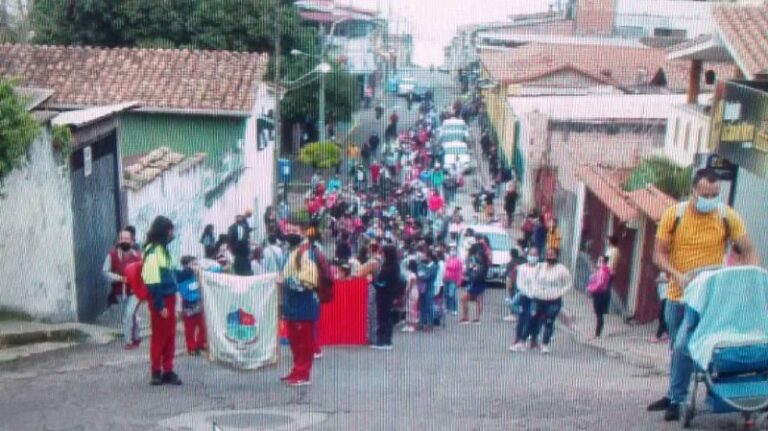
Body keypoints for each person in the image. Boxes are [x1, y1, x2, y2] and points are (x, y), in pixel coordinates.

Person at [647, 168, 758, 421]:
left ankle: (679, 400)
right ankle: (674, 394)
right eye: (705, 194)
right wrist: (676, 274)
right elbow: (658, 254)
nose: (710, 199)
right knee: (677, 347)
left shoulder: (726, 216)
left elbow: (748, 249)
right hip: (678, 294)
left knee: (689, 345)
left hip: (709, 298)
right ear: (693, 191)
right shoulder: (674, 215)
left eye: (715, 194)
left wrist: (752, 277)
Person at [278, 228, 328, 387]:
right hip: (292, 305)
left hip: (304, 305)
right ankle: (297, 370)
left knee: (304, 342)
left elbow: (309, 281)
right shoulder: (291, 252)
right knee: (294, 341)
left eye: (293, 231)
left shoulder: (306, 253)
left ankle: (303, 374)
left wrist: (286, 282)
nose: (288, 235)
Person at [141, 216, 182, 386]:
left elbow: (173, 274)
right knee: (159, 337)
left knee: (170, 336)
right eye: (170, 230)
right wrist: (160, 304)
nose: (172, 234)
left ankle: (168, 369)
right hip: (161, 298)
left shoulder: (163, 250)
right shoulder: (153, 251)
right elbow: (152, 280)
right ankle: (156, 371)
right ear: (163, 231)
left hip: (169, 297)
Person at [102, 230, 143, 349]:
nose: (125, 241)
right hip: (120, 291)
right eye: (122, 239)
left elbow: (144, 272)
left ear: (132, 241)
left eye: (127, 239)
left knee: (129, 314)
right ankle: (136, 336)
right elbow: (105, 272)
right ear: (118, 241)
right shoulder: (111, 255)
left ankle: (129, 341)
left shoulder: (138, 256)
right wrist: (120, 278)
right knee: (131, 314)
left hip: (135, 291)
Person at [527, 248, 572, 354]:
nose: (550, 257)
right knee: (534, 318)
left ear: (556, 256)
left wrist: (560, 293)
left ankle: (545, 344)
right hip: (539, 298)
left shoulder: (562, 269)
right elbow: (532, 279)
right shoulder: (539, 267)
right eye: (548, 254)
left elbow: (568, 284)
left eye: (552, 255)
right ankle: (534, 340)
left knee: (549, 321)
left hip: (553, 300)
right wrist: (534, 290)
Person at [509, 247, 541, 352]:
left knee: (534, 319)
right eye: (531, 255)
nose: (533, 257)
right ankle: (518, 339)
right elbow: (520, 283)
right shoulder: (522, 268)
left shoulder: (541, 268)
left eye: (535, 255)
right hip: (525, 296)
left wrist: (536, 293)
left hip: (537, 297)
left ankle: (532, 341)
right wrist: (528, 293)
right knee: (522, 319)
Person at [371, 244, 401, 349]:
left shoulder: (387, 268)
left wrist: (373, 281)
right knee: (387, 317)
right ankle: (387, 341)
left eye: (383, 253)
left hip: (383, 294)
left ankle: (382, 341)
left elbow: (382, 283)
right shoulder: (395, 266)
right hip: (390, 295)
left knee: (382, 318)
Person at [177, 256, 207, 356]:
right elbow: (186, 291)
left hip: (198, 304)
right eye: (194, 264)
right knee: (190, 328)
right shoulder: (182, 277)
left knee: (203, 325)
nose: (196, 266)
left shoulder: (196, 275)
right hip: (189, 305)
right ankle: (191, 347)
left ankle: (200, 344)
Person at [459, 237, 490, 324]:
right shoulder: (480, 260)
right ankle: (475, 318)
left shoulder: (480, 262)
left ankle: (468, 317)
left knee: (467, 299)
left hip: (477, 282)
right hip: (479, 282)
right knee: (478, 300)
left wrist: (470, 274)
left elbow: (476, 272)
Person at [586, 255, 612, 340]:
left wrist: (591, 289)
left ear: (603, 262)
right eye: (599, 260)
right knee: (599, 314)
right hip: (602, 293)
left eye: (600, 260)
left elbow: (600, 283)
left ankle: (597, 334)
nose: (598, 262)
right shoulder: (603, 270)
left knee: (599, 314)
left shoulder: (602, 271)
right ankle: (598, 332)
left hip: (599, 294)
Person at [416, 248, 438, 331]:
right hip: (422, 288)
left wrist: (421, 276)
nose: (423, 257)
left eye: (424, 256)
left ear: (429, 257)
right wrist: (421, 275)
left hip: (429, 287)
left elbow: (426, 276)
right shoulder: (421, 265)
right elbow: (418, 273)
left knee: (429, 306)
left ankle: (430, 323)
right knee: (422, 305)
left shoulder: (434, 266)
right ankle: (422, 322)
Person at [650, 272, 669, 344]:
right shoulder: (662, 272)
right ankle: (666, 333)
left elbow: (670, 279)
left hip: (668, 296)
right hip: (662, 295)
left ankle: (658, 335)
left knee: (663, 316)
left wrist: (660, 280)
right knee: (661, 316)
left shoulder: (670, 271)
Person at [443, 245, 463, 315]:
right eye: (451, 250)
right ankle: (448, 308)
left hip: (453, 280)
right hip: (446, 279)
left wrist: (459, 281)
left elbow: (460, 271)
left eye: (454, 250)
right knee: (446, 294)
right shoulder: (448, 259)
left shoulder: (458, 261)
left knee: (452, 295)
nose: (452, 252)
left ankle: (454, 309)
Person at [402, 259, 420, 333]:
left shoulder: (413, 275)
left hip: (413, 292)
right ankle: (408, 324)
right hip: (411, 292)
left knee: (413, 309)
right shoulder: (410, 274)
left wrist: (405, 293)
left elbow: (410, 286)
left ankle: (413, 325)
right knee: (408, 309)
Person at [503, 248, 520, 322]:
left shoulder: (511, 262)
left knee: (512, 298)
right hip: (518, 282)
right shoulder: (520, 261)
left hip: (511, 281)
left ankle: (513, 314)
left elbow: (507, 273)